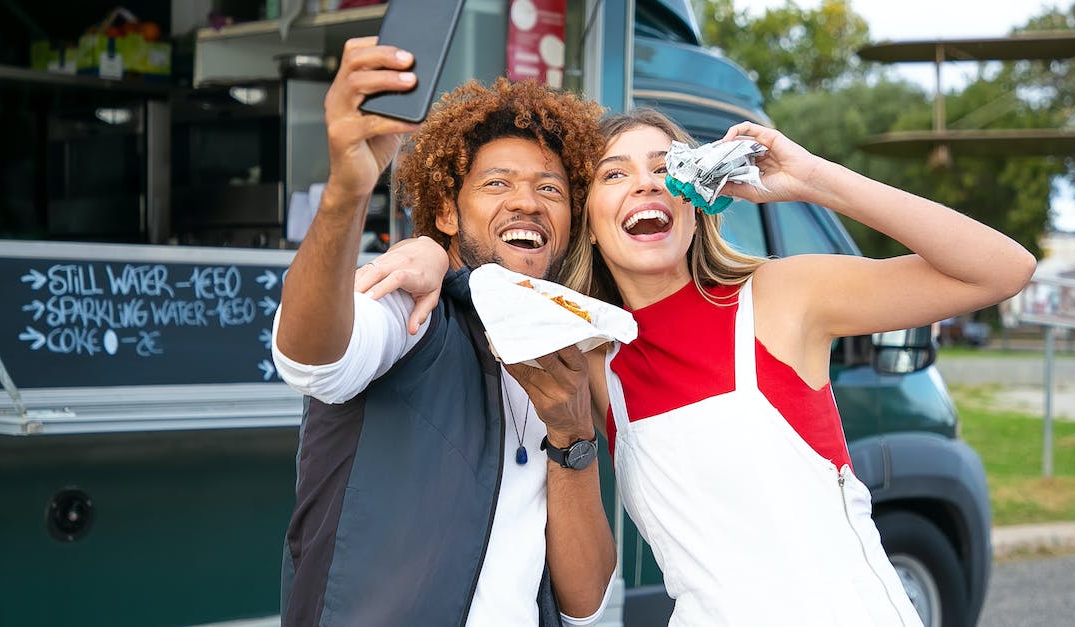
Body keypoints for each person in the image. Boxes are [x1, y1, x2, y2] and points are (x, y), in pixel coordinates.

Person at [370, 107, 1036, 626]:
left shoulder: (781, 299)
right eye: (614, 173)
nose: (646, 183)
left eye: (666, 167)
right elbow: (487, 283)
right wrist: (432, 250)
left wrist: (814, 181)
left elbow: (1004, 269)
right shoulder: (592, 356)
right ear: (589, 220)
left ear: (698, 195)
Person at [270, 37, 615, 626]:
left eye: (550, 189)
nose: (527, 202)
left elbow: (584, 603)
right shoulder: (414, 305)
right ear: (447, 213)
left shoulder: (564, 351)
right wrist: (346, 193)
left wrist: (571, 433)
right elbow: (309, 359)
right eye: (497, 184)